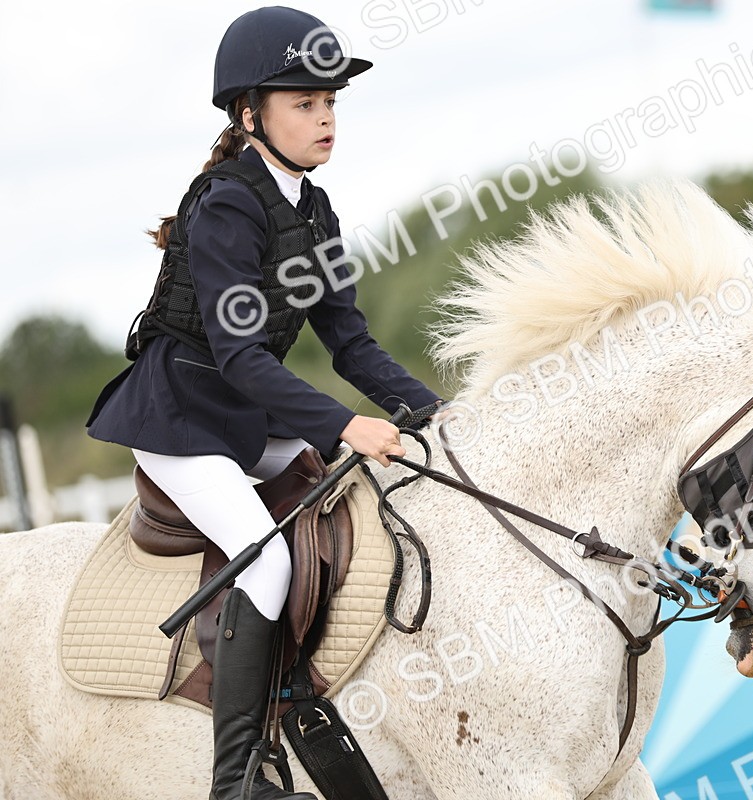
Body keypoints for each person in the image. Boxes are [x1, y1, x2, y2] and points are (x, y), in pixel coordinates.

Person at [85, 7, 439, 798]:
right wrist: (349, 423)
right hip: (178, 414)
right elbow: (240, 355)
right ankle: (237, 775)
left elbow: (352, 346)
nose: (325, 119)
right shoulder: (225, 205)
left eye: (331, 103)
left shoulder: (314, 213)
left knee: (366, 495)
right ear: (251, 114)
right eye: (305, 103)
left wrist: (439, 418)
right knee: (269, 557)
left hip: (242, 414)